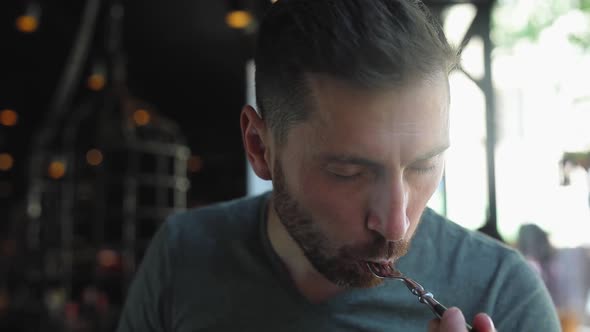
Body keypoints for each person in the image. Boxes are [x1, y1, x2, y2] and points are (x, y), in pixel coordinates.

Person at [116, 0, 560, 331]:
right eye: (349, 172)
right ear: (259, 145)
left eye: (423, 165)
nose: (394, 224)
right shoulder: (182, 258)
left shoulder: (504, 295)